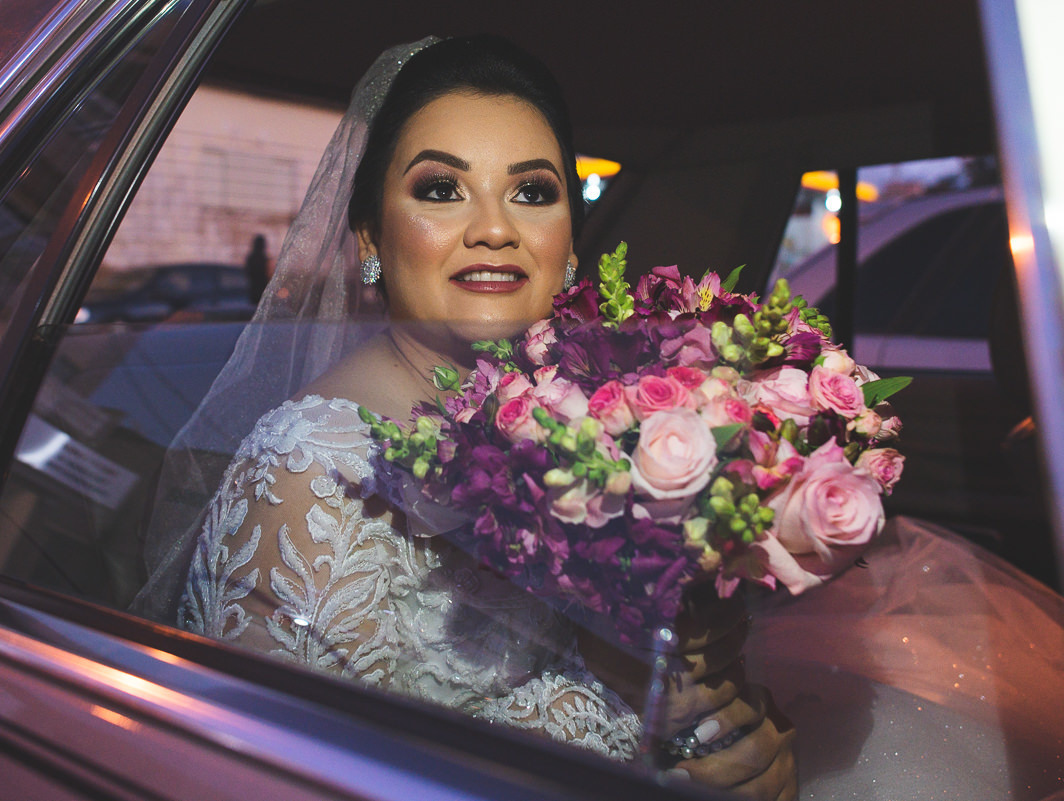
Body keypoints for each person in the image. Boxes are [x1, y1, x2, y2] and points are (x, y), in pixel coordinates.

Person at [134, 36, 1064, 801]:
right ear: (371, 238)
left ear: (568, 246)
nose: (493, 226)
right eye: (441, 188)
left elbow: (677, 686)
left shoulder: (602, 424)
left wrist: (743, 756)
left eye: (531, 191)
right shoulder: (303, 475)